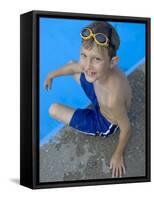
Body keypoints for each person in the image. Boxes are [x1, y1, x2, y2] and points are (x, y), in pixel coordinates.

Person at [44, 21, 132, 178]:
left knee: (53, 109)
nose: (87, 64)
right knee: (72, 65)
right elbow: (74, 67)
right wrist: (52, 74)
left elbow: (126, 128)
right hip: (100, 94)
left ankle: (92, 124)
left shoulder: (112, 98)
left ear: (113, 62)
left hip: (103, 122)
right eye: (84, 55)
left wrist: (117, 155)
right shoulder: (101, 71)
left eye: (96, 59)